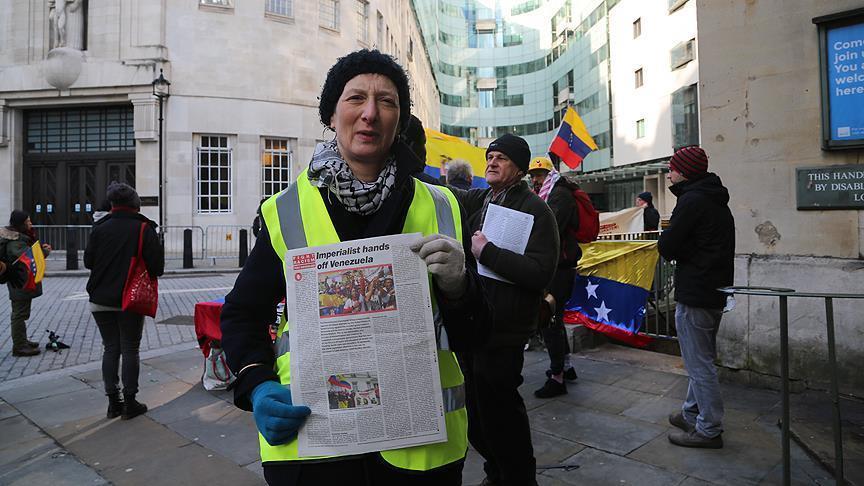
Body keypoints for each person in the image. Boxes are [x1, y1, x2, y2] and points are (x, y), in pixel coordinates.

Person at [219, 49, 490, 486]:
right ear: (331, 113)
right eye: (356, 98)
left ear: (399, 120)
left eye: (386, 101)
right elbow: (241, 313)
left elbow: (475, 336)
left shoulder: (442, 206)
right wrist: (257, 383)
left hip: (421, 453)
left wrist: (461, 288)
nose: (370, 113)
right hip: (316, 447)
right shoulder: (285, 209)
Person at [450, 134, 559, 486]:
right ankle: (495, 471)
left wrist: (488, 252)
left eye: (502, 158)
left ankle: (518, 477)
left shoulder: (537, 210)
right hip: (473, 322)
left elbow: (540, 272)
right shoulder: (482, 199)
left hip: (505, 328)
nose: (492, 162)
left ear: (520, 167)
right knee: (476, 416)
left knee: (502, 414)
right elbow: (445, 193)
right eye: (490, 156)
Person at [658, 146, 735, 449]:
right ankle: (692, 413)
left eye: (672, 168)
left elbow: (668, 246)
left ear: (685, 172)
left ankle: (709, 428)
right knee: (699, 359)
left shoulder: (691, 201)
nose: (669, 173)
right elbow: (709, 247)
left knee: (699, 364)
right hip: (713, 292)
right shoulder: (714, 199)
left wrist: (679, 248)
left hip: (696, 294)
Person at [84, 182, 164, 420]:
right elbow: (157, 267)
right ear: (135, 204)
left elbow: (89, 262)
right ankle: (130, 402)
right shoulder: (143, 229)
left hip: (99, 297)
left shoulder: (99, 228)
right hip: (130, 298)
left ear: (112, 204)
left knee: (110, 348)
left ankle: (113, 402)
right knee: (130, 348)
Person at [526, 156, 580, 398]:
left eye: (539, 175)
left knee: (549, 319)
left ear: (549, 173)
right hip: (558, 265)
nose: (535, 179)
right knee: (555, 319)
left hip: (559, 267)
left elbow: (550, 227)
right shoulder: (551, 193)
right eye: (533, 175)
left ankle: (557, 377)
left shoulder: (559, 194)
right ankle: (566, 367)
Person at [1, 210, 52, 357]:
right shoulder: (15, 241)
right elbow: (28, 259)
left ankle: (22, 341)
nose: (30, 223)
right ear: (20, 224)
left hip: (22, 281)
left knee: (22, 313)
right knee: (19, 314)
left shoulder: (18, 237)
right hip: (19, 281)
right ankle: (19, 346)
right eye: (28, 221)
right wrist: (44, 252)